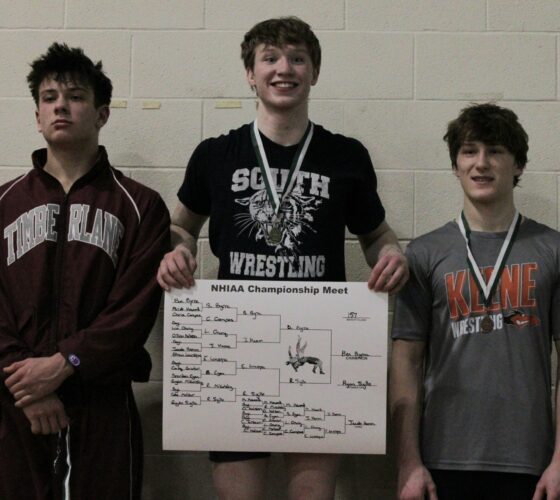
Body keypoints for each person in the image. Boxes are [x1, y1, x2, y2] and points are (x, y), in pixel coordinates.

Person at [157, 16, 408, 500]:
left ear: (314, 72)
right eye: (269, 58)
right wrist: (177, 252)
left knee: (312, 494)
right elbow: (181, 227)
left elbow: (376, 234)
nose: (284, 68)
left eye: (297, 58)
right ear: (250, 74)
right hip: (234, 339)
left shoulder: (345, 155)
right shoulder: (215, 154)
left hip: (318, 336)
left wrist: (392, 254)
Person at [0, 43, 170, 499]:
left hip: (101, 400)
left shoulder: (140, 205)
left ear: (101, 114)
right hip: (15, 399)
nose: (61, 106)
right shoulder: (4, 203)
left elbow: (133, 311)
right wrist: (28, 384)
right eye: (49, 97)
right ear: (37, 116)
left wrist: (64, 363)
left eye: (75, 96)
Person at [390, 103, 560, 500]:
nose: (481, 163)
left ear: (518, 165)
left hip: (531, 462)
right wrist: (408, 462)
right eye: (469, 151)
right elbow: (406, 364)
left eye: (495, 151)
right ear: (455, 165)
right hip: (441, 459)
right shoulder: (424, 253)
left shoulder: (552, 249)